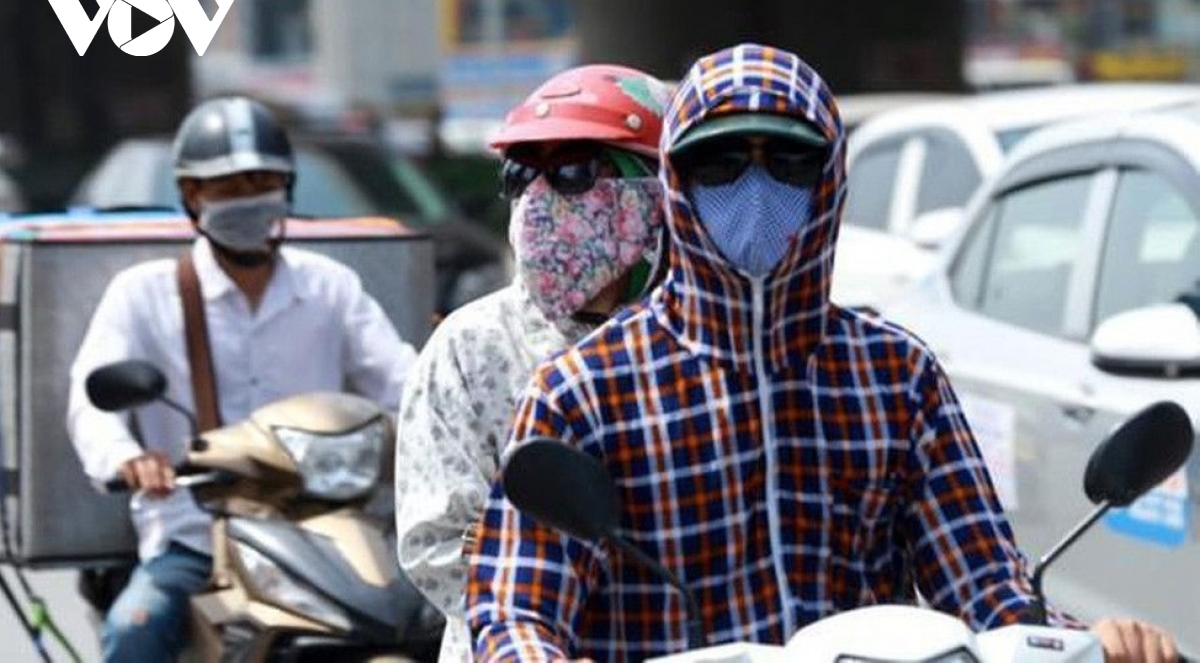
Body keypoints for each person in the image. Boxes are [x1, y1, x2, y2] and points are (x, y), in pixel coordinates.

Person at [464, 43, 1181, 662]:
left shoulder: (896, 377)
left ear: (832, 175)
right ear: (676, 182)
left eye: (788, 162)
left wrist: (1093, 642)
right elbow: (515, 608)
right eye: (719, 163)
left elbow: (986, 587)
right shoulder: (585, 391)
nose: (754, 192)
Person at [66, 95, 418, 662]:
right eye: (228, 186)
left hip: (329, 537)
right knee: (136, 628)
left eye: (262, 182)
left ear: (286, 188)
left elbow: (403, 383)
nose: (249, 198)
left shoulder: (330, 287)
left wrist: (450, 429)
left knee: (434, 615)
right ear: (192, 196)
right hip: (196, 539)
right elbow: (90, 406)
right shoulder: (143, 293)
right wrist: (127, 459)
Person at [393, 64, 672, 662]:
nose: (540, 200)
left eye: (573, 172)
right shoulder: (472, 347)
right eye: (522, 173)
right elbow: (436, 546)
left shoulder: (701, 339)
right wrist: (544, 604)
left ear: (656, 192)